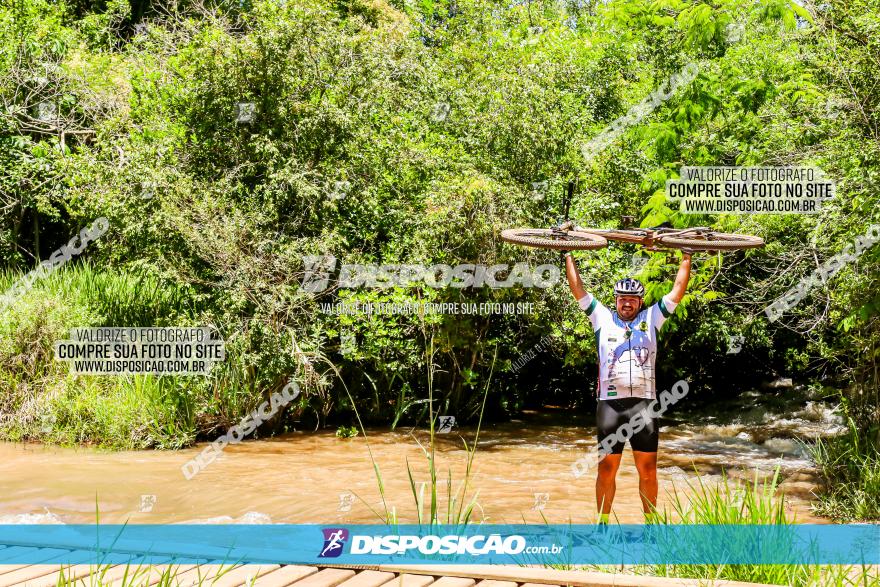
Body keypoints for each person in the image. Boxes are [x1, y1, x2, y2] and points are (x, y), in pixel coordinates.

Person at [563, 250, 691, 523]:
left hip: (644, 406)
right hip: (611, 406)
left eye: (633, 299)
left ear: (640, 302)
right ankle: (603, 524)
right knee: (606, 470)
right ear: (616, 301)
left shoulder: (653, 318)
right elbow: (578, 289)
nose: (627, 304)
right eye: (623, 299)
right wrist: (569, 251)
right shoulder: (602, 318)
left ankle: (651, 525)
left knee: (648, 471)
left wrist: (687, 254)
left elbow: (678, 291)